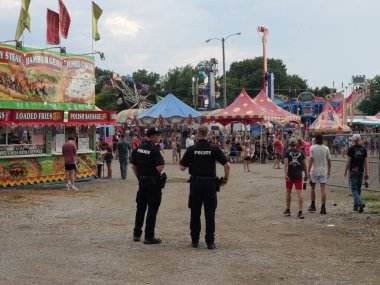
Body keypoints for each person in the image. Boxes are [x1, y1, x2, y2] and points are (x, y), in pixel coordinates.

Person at [179, 125, 231, 250]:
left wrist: (191, 162)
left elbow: (182, 167)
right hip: (210, 184)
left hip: (196, 183)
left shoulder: (192, 149)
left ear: (198, 134)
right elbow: (227, 165)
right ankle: (210, 242)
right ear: (208, 134)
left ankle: (195, 240)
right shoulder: (214, 148)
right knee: (210, 213)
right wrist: (225, 179)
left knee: (195, 212)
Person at [131, 127, 165, 244]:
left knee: (140, 208)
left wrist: (140, 177)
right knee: (152, 209)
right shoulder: (155, 149)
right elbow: (159, 167)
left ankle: (136, 234)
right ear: (153, 136)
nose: (159, 137)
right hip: (153, 183)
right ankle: (149, 236)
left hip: (142, 182)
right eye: (158, 135)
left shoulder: (139, 148)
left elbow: (134, 166)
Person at [283, 138, 308, 219]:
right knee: (299, 193)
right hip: (298, 175)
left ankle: (288, 210)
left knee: (288, 192)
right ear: (296, 144)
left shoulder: (287, 152)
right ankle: (300, 212)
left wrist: (286, 174)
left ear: (289, 144)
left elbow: (286, 164)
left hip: (290, 175)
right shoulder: (301, 152)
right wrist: (306, 174)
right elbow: (304, 165)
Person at [344, 134, 369, 213]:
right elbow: (366, 162)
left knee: (353, 189)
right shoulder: (364, 149)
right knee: (358, 189)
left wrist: (345, 170)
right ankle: (356, 206)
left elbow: (348, 161)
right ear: (360, 139)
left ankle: (360, 203)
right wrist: (367, 173)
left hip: (353, 171)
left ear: (353, 140)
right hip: (361, 171)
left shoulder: (351, 149)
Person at [307, 134, 331, 214]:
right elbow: (329, 161)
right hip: (323, 171)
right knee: (323, 190)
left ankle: (313, 205)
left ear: (316, 139)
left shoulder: (312, 148)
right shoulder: (326, 148)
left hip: (314, 171)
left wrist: (308, 171)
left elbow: (311, 160)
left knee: (313, 188)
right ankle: (323, 207)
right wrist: (329, 171)